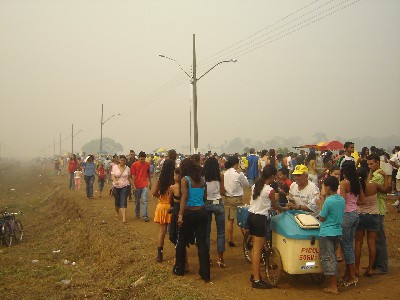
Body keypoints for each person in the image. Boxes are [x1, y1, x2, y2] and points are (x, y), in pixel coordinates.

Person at [173, 158, 210, 282]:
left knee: (182, 241)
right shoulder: (202, 180)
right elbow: (205, 197)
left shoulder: (185, 180)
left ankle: (180, 269)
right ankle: (205, 274)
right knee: (202, 243)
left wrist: (180, 215)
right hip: (202, 212)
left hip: (189, 212)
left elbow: (184, 197)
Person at [248, 165, 284, 289]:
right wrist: (284, 209)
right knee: (258, 250)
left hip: (251, 216)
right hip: (260, 219)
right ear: (273, 177)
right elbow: (275, 206)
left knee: (255, 249)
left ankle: (254, 274)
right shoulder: (270, 190)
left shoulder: (255, 186)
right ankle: (257, 280)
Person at [355, 167, 389, 277]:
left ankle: (356, 269)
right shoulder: (373, 186)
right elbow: (386, 189)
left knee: (358, 243)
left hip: (360, 215)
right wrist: (385, 176)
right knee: (372, 243)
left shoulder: (356, 187)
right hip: (373, 215)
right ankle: (370, 268)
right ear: (366, 176)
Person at [338, 160, 365, 287]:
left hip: (346, 215)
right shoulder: (356, 183)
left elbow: (342, 202)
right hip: (355, 214)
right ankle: (348, 274)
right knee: (349, 245)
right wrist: (353, 203)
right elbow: (362, 200)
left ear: (343, 170)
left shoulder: (344, 183)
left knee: (346, 246)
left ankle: (352, 276)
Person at [318, 176, 345, 295]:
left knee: (328, 258)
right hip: (337, 231)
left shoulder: (328, 201)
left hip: (327, 232)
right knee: (332, 256)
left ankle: (333, 286)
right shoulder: (341, 200)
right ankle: (332, 284)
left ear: (328, 187)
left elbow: (322, 217)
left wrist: (320, 203)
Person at [367, 153, 389, 275]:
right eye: (368, 164)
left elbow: (369, 186)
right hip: (377, 208)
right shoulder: (378, 174)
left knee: (379, 240)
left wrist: (370, 174)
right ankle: (374, 264)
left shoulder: (378, 176)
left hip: (378, 209)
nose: (370, 166)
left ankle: (381, 266)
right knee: (375, 240)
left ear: (377, 163)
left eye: (371, 164)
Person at [204, 156, 226, 268]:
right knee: (221, 232)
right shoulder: (220, 177)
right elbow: (222, 191)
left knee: (206, 233)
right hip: (218, 202)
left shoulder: (203, 178)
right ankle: (220, 259)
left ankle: (207, 258)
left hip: (207, 203)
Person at [223, 156, 249, 247]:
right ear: (236, 164)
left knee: (230, 220)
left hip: (228, 198)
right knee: (242, 220)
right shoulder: (238, 174)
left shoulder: (225, 173)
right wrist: (242, 173)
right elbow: (247, 184)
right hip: (237, 198)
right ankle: (247, 239)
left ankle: (230, 239)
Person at [152, 159, 175, 262]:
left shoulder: (160, 180)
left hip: (161, 207)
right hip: (171, 207)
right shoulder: (174, 181)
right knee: (174, 232)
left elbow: (154, 193)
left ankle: (159, 254)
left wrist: (161, 197)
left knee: (161, 231)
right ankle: (177, 252)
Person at [131, 151, 152, 222]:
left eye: (144, 159)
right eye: (141, 159)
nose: (142, 160)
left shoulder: (147, 165)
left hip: (144, 184)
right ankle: (137, 212)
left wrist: (150, 182)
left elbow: (148, 174)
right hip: (137, 185)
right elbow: (133, 175)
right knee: (137, 201)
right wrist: (133, 185)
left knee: (144, 200)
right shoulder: (134, 165)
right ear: (139, 158)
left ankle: (144, 215)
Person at [111, 155, 132, 223]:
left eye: (124, 161)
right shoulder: (114, 167)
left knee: (123, 200)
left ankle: (124, 218)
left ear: (125, 162)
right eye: (121, 160)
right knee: (117, 201)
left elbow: (129, 178)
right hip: (116, 186)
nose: (122, 162)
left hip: (125, 185)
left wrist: (133, 184)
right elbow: (113, 176)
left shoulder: (127, 168)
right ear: (119, 161)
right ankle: (117, 213)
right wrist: (115, 181)